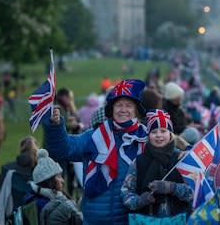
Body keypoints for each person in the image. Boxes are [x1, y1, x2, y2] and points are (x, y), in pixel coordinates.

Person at [43, 79, 148, 224]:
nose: (123, 109)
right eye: (119, 105)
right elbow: (63, 150)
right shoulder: (94, 136)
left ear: (136, 110)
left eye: (128, 105)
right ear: (111, 109)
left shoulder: (144, 139)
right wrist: (55, 126)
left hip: (129, 219)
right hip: (94, 220)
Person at [121, 109, 192, 220]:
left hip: (179, 219)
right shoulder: (138, 162)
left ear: (170, 134)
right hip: (146, 220)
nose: (159, 135)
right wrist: (139, 201)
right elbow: (126, 193)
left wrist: (172, 188)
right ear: (148, 135)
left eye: (163, 131)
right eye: (154, 132)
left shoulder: (181, 158)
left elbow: (193, 192)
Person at [24, 149, 83, 224]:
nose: (62, 181)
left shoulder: (31, 200)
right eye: (58, 176)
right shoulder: (59, 205)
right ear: (49, 181)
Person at [0, 136, 39, 211]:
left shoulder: (7, 168)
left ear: (21, 149)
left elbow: (0, 193)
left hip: (13, 211)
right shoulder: (42, 172)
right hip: (36, 211)